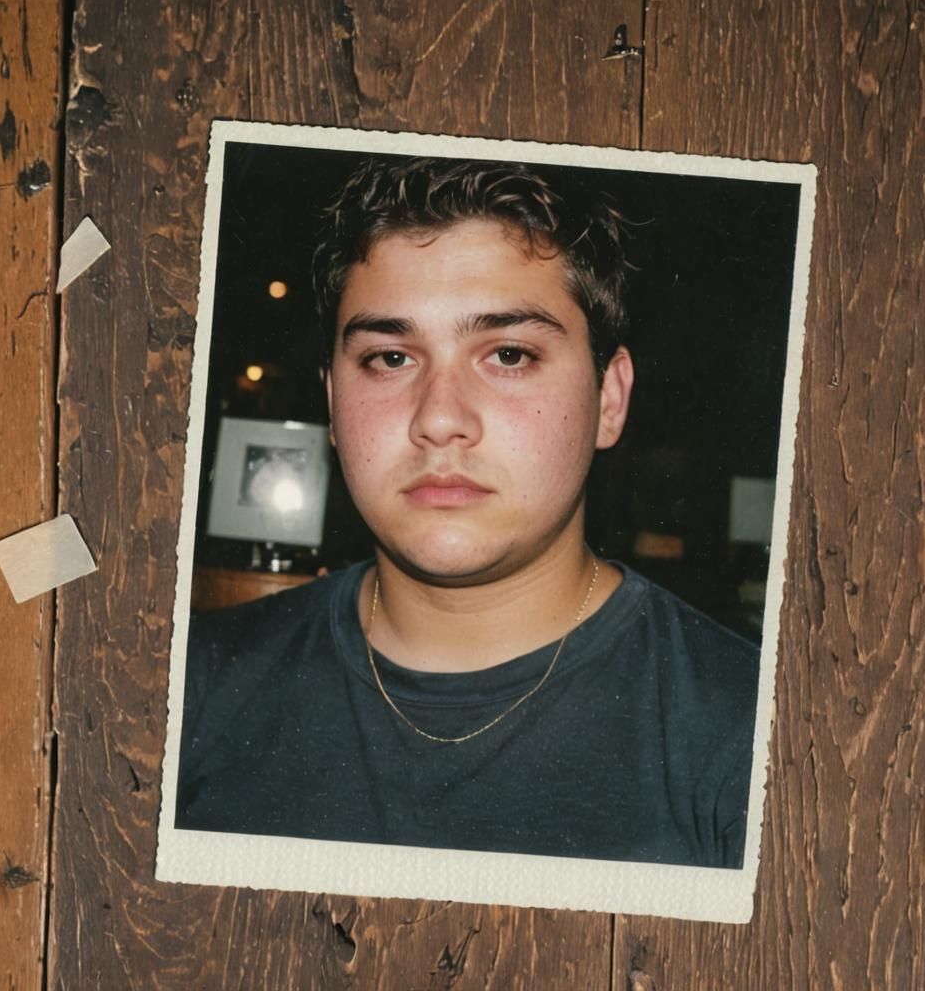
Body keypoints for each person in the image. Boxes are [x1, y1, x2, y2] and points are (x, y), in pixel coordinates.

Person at [175, 156, 760, 868]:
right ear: (332, 403)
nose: (440, 419)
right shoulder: (187, 694)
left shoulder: (749, 738)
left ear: (609, 398)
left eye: (508, 354)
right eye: (391, 358)